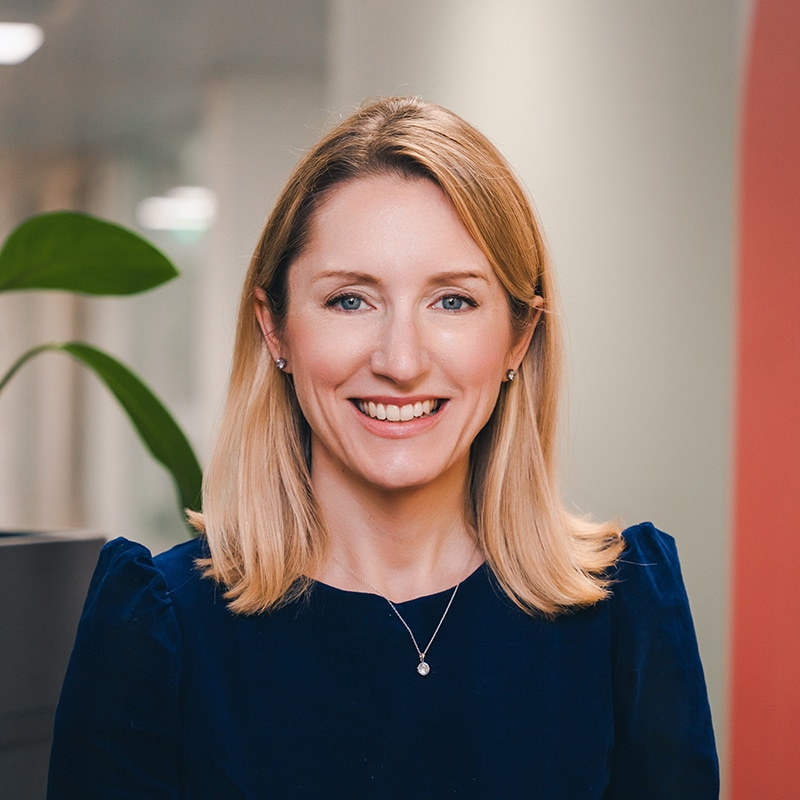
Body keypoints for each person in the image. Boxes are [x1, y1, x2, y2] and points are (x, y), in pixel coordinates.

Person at [48, 97, 719, 799]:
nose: (401, 360)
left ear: (519, 337)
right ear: (275, 329)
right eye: (350, 300)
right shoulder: (159, 628)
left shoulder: (625, 619)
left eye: (453, 301)